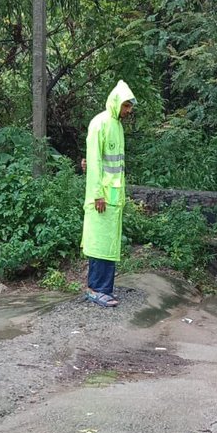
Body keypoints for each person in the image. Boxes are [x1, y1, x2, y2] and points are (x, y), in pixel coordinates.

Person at [81, 80, 136, 307]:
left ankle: (105, 288)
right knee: (99, 243)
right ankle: (96, 288)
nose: (128, 110)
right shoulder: (100, 123)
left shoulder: (117, 126)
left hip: (113, 197)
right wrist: (98, 194)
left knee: (109, 245)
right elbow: (94, 161)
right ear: (116, 102)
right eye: (126, 105)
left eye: (130, 106)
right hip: (102, 197)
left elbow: (108, 163)